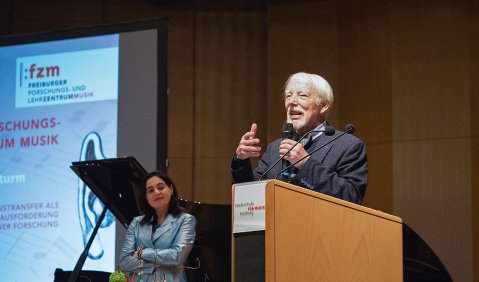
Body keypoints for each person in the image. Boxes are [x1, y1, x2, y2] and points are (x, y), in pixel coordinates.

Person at [231, 72, 368, 204]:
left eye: (302, 96)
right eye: (288, 96)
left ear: (324, 105)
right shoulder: (274, 148)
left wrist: (306, 164)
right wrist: (241, 161)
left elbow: (351, 196)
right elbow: (251, 196)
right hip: (276, 226)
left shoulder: (348, 145)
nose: (292, 102)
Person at [119, 170, 196, 282]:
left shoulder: (185, 220)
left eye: (160, 187)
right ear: (146, 197)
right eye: (150, 190)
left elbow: (176, 256)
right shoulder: (136, 222)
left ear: (171, 189)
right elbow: (124, 263)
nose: (156, 192)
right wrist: (151, 265)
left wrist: (141, 253)